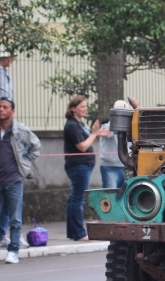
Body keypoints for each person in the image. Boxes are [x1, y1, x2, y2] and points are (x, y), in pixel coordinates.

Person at [0, 97, 40, 264]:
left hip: (14, 180)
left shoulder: (20, 130)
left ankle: (13, 251)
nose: (0, 109)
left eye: (5, 107)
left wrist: (24, 163)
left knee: (15, 219)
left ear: (12, 111)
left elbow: (35, 146)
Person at [63, 95, 109, 241]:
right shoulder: (72, 125)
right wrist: (95, 133)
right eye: (82, 107)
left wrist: (98, 134)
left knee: (74, 199)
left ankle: (73, 232)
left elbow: (87, 138)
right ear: (73, 109)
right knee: (77, 199)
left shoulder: (79, 124)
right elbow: (82, 146)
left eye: (85, 106)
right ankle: (79, 233)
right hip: (79, 165)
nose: (85, 109)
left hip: (83, 165)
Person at [98, 100, 131, 188]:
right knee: (111, 196)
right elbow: (106, 132)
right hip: (110, 167)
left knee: (126, 196)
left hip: (126, 166)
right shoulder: (106, 126)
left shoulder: (131, 127)